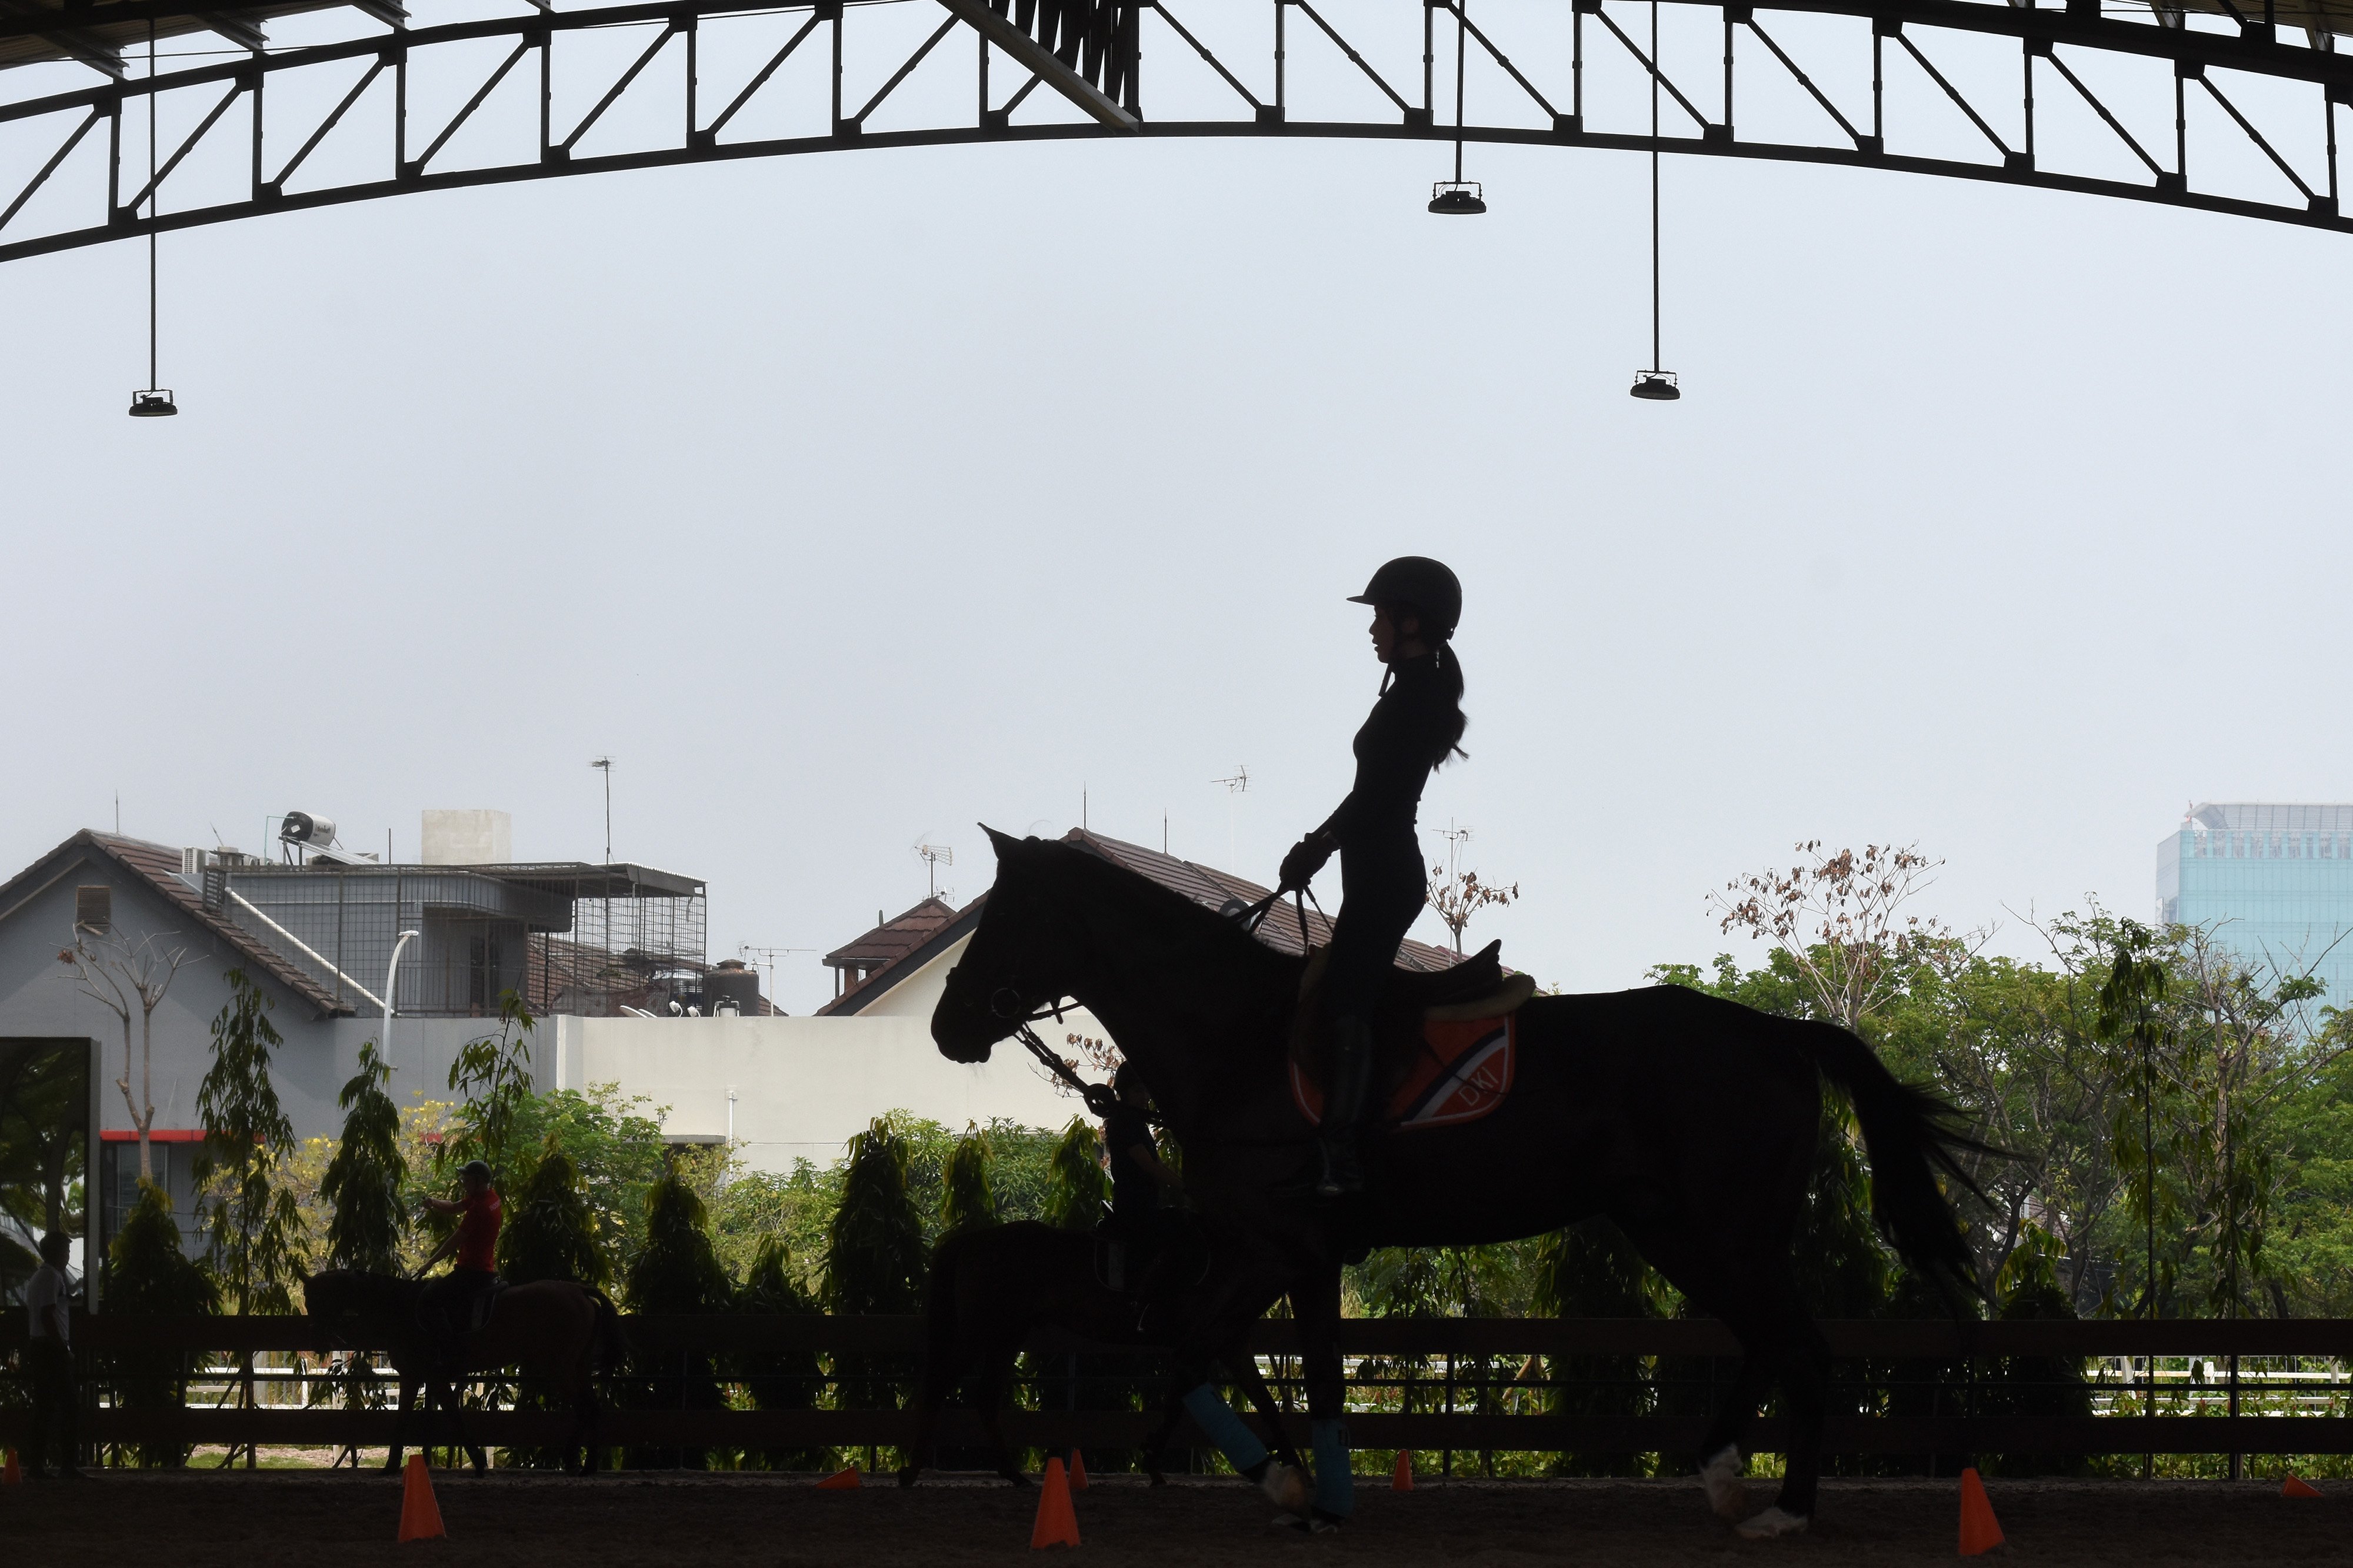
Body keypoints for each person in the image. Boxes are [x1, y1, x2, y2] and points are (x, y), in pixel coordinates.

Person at [1278, 556, 1468, 1197]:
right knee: (1345, 994)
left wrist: (1320, 843)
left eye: (1380, 616)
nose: (1372, 630)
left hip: (1385, 873)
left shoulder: (1414, 698)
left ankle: (1343, 1153)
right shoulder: (1410, 691)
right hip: (1377, 868)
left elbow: (1376, 798)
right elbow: (1366, 794)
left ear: (1410, 622)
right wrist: (1320, 841)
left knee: (1347, 1001)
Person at [1099, 1063, 1187, 1327]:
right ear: (1124, 1093)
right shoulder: (1126, 1123)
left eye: (1146, 1091)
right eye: (1139, 1091)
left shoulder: (1133, 1121)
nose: (1145, 1097)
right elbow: (1150, 1166)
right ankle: (1144, 1305)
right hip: (1134, 1207)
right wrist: (1187, 1189)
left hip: (1144, 1205)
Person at [418, 1159, 502, 1347]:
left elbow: (453, 1242)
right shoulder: (490, 1198)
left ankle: (449, 1348)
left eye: (466, 1180)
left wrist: (428, 1264)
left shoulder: (479, 1209)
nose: (463, 1183)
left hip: (472, 1271)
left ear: (478, 1181)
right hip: (484, 1267)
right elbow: (455, 1207)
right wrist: (434, 1203)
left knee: (429, 1300)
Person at [24, 1229, 82, 1479]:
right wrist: (63, 1347)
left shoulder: (41, 1277)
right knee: (70, 1407)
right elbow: (48, 1315)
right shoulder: (52, 1278)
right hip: (52, 1350)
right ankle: (67, 1467)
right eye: (67, 1251)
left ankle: (36, 1466)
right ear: (59, 1253)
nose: (68, 1255)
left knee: (44, 1408)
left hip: (40, 1348)